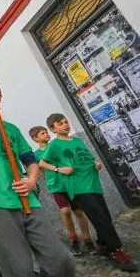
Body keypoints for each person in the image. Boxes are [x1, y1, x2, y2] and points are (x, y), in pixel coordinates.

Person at [0, 78, 75, 277]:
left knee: (62, 260)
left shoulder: (12, 129)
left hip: (25, 198)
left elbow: (30, 160)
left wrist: (30, 181)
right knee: (18, 269)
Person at [40, 114, 137, 272]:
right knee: (100, 218)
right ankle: (116, 251)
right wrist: (60, 169)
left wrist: (96, 163)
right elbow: (42, 163)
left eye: (66, 122)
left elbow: (88, 158)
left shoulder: (77, 141)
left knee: (104, 216)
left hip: (93, 184)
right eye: (60, 123)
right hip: (78, 187)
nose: (65, 125)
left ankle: (102, 244)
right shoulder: (54, 145)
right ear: (53, 128)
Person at [29, 125, 94, 256]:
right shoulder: (36, 155)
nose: (46, 135)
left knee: (78, 212)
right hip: (56, 186)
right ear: (35, 138)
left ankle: (88, 240)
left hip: (70, 184)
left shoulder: (56, 145)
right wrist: (50, 178)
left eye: (46, 132)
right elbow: (40, 170)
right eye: (42, 133)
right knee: (65, 211)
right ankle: (74, 239)